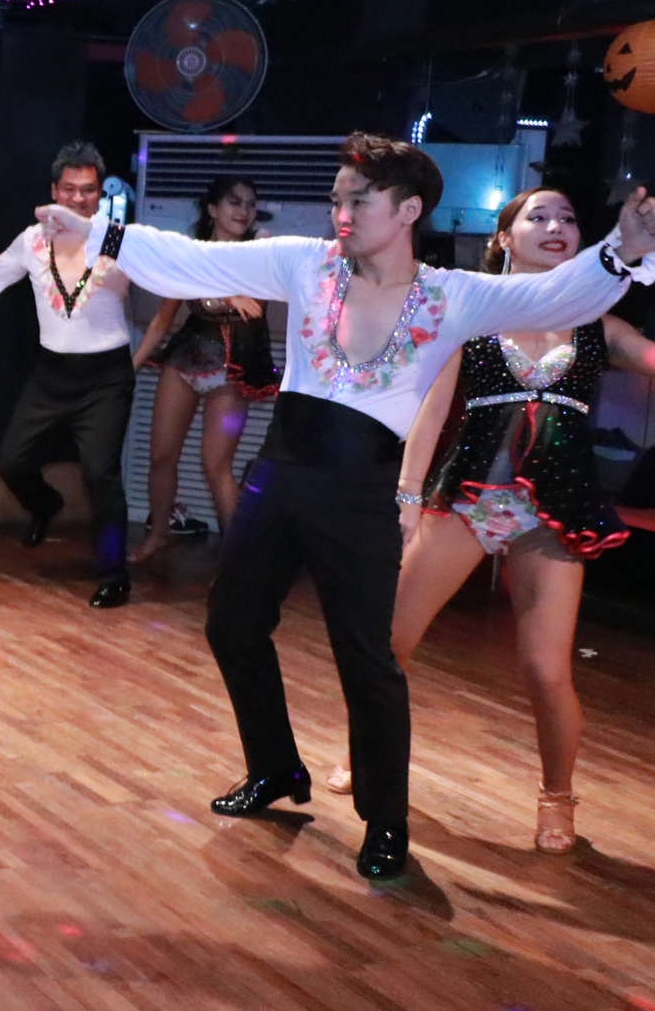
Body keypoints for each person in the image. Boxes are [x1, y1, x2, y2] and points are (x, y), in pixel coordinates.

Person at [34, 133, 655, 881]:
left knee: (368, 656)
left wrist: (623, 250)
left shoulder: (453, 294)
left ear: (409, 210)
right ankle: (275, 766)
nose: (341, 213)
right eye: (336, 199)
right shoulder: (305, 263)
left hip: (361, 487)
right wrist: (97, 230)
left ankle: (386, 822)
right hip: (279, 472)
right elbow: (195, 260)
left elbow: (555, 297)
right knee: (232, 624)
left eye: (358, 199)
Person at [321, 187, 655, 852]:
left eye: (568, 218)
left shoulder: (599, 324)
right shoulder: (471, 314)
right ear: (505, 237)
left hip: (554, 509)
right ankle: (368, 753)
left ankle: (557, 799)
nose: (556, 226)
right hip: (469, 499)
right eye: (539, 216)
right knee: (389, 644)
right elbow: (430, 412)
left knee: (546, 671)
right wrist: (407, 498)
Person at [0, 142, 138, 608]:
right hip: (51, 374)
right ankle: (46, 504)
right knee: (11, 462)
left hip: (105, 378)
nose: (78, 198)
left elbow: (169, 274)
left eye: (88, 190)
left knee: (101, 474)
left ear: (100, 193)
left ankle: (114, 575)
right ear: (54, 191)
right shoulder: (33, 240)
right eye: (69, 189)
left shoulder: (119, 239)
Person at [128, 175, 278, 562]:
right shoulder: (190, 253)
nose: (244, 211)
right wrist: (131, 367)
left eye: (250, 204)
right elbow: (162, 320)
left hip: (233, 370)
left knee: (217, 465)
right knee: (162, 455)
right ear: (212, 209)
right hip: (185, 361)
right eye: (234, 202)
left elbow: (255, 306)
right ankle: (158, 534)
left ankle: (237, 560)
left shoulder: (259, 247)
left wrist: (220, 293)